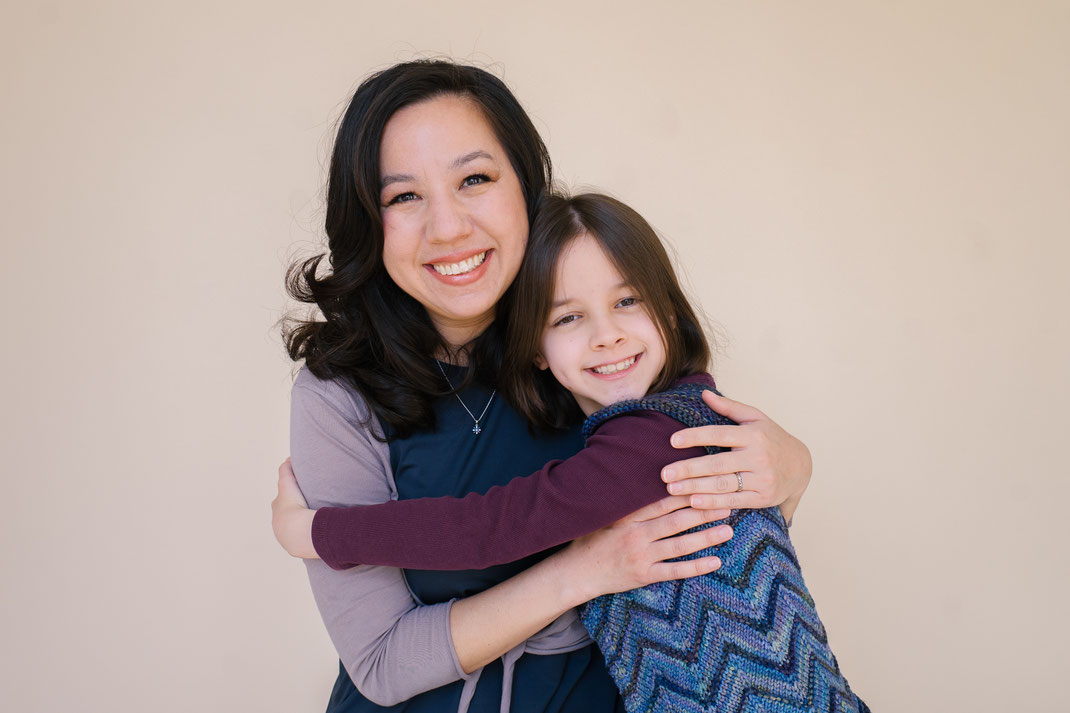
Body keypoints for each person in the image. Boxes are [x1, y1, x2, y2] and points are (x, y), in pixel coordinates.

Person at [278, 60, 813, 712]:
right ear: (368, 219)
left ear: (526, 187)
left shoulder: (592, 357)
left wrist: (790, 468)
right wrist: (585, 570)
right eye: (404, 196)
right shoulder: (337, 395)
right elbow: (384, 662)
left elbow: (714, 539)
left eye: (474, 178)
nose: (447, 228)